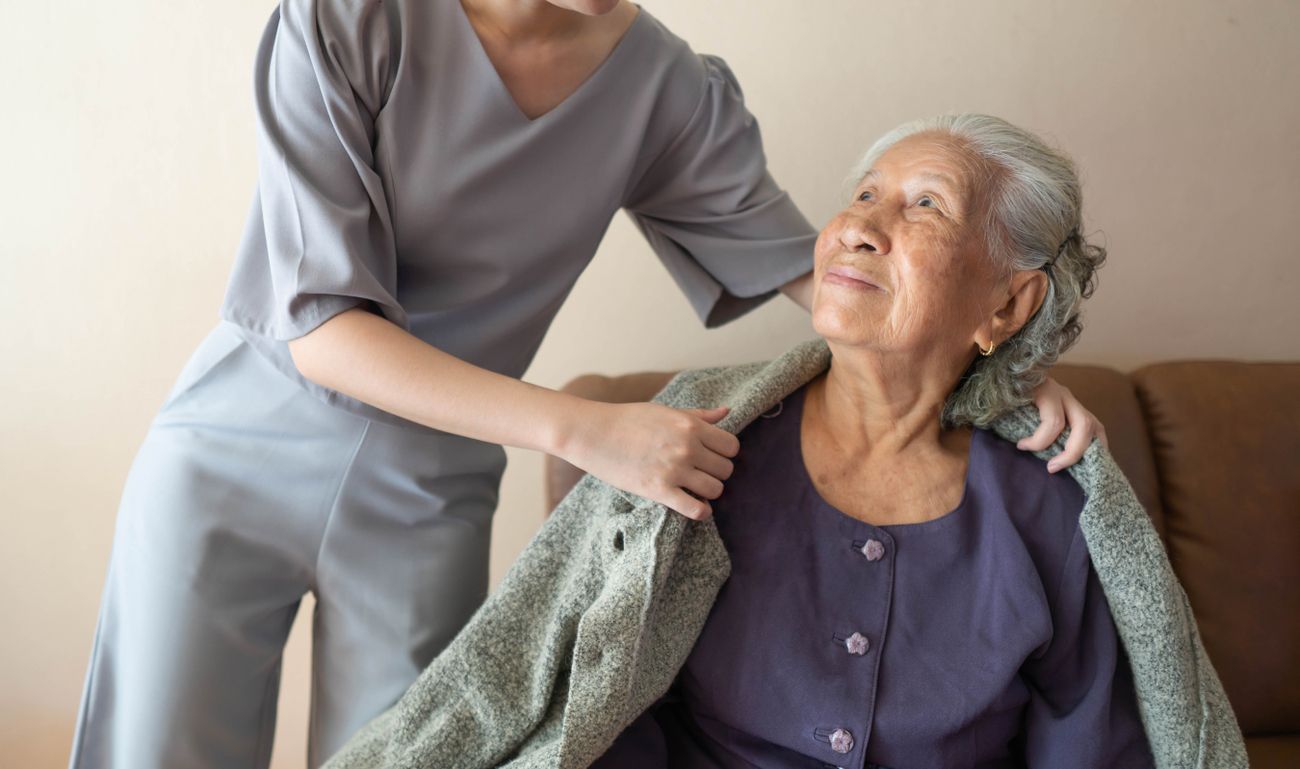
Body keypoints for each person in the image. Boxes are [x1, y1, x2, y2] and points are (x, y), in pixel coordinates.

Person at [65, 1, 1105, 766]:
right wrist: (585, 430)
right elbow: (321, 330)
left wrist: (1004, 368)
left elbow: (831, 267)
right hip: (237, 456)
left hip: (428, 495)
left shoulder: (662, 86)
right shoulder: (349, 19)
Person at [590, 113, 1151, 767]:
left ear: (1008, 304)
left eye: (927, 205)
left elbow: (1088, 740)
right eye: (864, 194)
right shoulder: (700, 443)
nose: (858, 227)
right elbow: (599, 703)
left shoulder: (1048, 499)